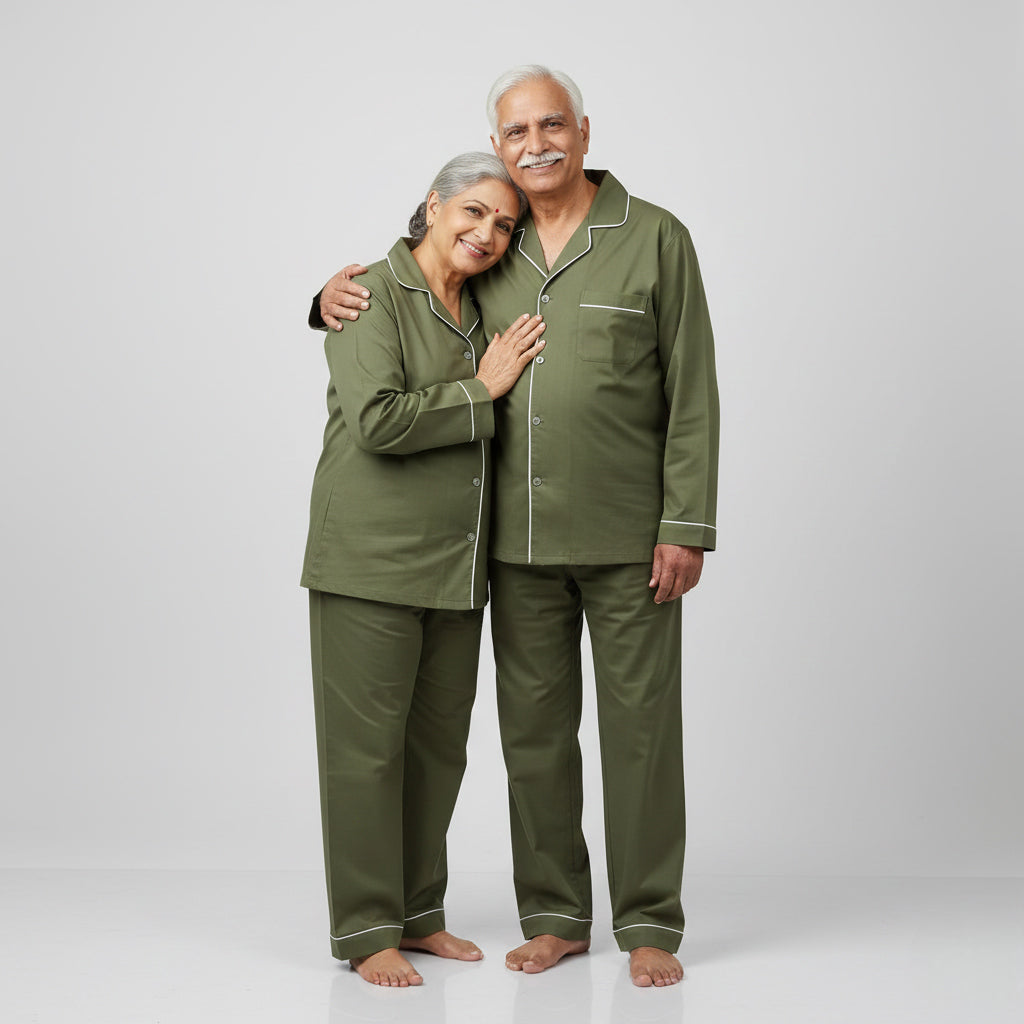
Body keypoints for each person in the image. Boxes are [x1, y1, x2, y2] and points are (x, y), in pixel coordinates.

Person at [311, 65, 719, 990]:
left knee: (643, 732)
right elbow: (410, 286)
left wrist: (686, 524)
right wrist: (324, 297)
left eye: (550, 125)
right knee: (532, 738)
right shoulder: (494, 240)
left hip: (631, 537)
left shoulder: (654, 238)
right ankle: (557, 915)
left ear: (582, 129)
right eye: (514, 131)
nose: (533, 144)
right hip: (509, 550)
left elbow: (691, 388)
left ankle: (651, 918)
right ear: (496, 148)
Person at [301, 152, 546, 987]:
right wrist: (481, 392)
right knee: (365, 753)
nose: (487, 232)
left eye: (504, 224)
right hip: (368, 562)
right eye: (472, 211)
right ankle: (366, 931)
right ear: (432, 206)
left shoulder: (484, 305)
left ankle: (418, 914)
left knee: (438, 751)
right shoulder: (369, 290)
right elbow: (375, 421)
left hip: (456, 568)